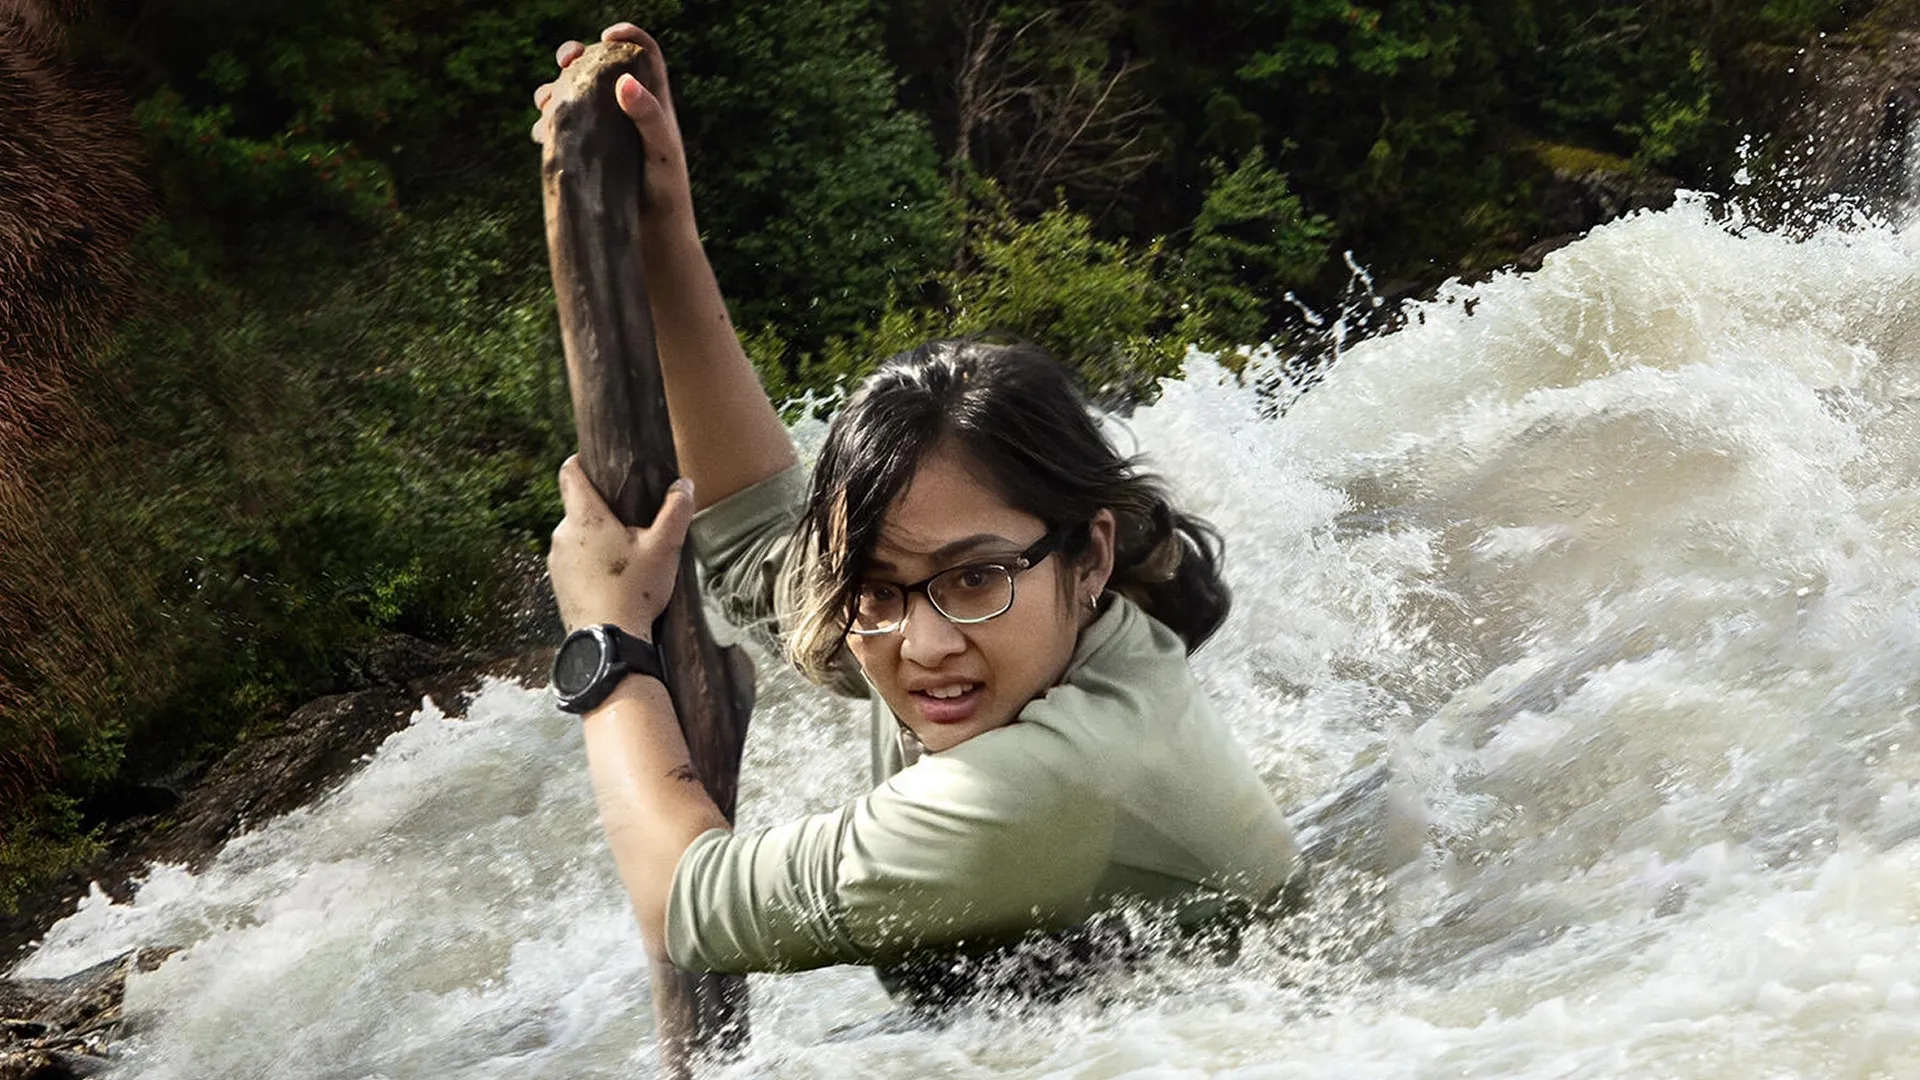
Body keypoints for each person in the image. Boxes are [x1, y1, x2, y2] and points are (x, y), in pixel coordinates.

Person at [536, 23, 1303, 1008]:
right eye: (877, 590)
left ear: (1091, 555)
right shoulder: (990, 628)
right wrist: (664, 229)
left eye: (973, 578)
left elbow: (692, 909)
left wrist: (605, 643)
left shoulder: (1050, 785)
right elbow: (755, 541)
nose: (923, 645)